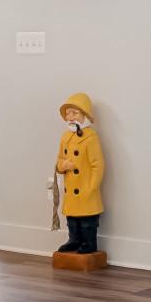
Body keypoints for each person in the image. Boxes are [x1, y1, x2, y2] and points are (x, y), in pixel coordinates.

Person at [53, 92, 105, 255]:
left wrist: (92, 186)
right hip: (71, 189)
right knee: (72, 220)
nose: (70, 117)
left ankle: (89, 243)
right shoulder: (65, 137)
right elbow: (59, 161)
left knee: (87, 221)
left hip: (85, 188)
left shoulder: (91, 137)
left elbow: (98, 165)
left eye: (74, 113)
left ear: (85, 115)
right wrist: (64, 165)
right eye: (68, 113)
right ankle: (73, 240)